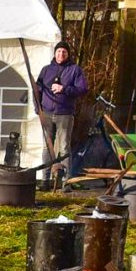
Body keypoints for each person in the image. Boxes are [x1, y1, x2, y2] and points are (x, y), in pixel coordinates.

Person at [33, 41, 89, 189]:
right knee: (47, 147)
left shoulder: (75, 70)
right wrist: (38, 109)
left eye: (64, 52)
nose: (61, 54)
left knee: (64, 147)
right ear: (55, 53)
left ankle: (66, 182)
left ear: (68, 54)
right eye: (59, 51)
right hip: (47, 113)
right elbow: (37, 90)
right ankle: (45, 181)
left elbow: (82, 89)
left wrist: (64, 89)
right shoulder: (46, 70)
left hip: (65, 114)